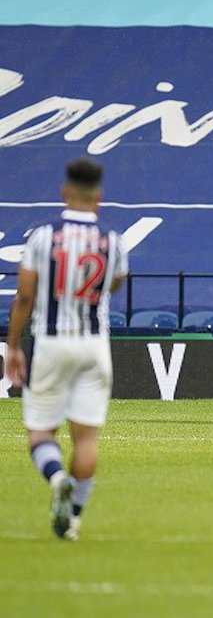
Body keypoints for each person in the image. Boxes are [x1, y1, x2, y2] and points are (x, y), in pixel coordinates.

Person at [5, 158, 128, 540]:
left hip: (52, 342)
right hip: (94, 345)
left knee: (41, 433)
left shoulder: (43, 236)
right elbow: (116, 283)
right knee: (86, 439)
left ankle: (57, 477)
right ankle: (73, 520)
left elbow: (25, 295)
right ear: (100, 198)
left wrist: (13, 345)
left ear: (64, 192)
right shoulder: (113, 240)